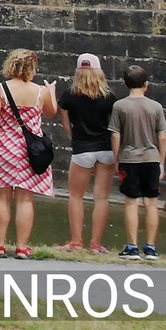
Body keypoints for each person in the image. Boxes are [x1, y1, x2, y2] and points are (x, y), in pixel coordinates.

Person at [0, 48, 55, 259]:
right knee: (25, 199)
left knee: (1, 198)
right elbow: (50, 113)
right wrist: (53, 93)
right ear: (32, 68)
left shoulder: (0, 88)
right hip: (30, 151)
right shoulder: (41, 91)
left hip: (4, 148)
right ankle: (22, 248)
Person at [57, 53, 120, 253]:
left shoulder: (69, 95)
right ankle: (95, 244)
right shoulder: (109, 97)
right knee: (101, 197)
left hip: (82, 149)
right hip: (106, 149)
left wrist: (76, 137)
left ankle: (76, 242)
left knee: (76, 196)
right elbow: (114, 127)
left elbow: (66, 125)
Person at [110, 64, 166, 261]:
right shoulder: (156, 107)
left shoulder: (119, 106)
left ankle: (132, 246)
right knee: (151, 203)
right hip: (151, 158)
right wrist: (161, 161)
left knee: (131, 203)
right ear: (146, 84)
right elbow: (163, 137)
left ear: (124, 83)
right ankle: (151, 247)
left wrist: (117, 158)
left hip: (129, 158)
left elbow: (116, 135)